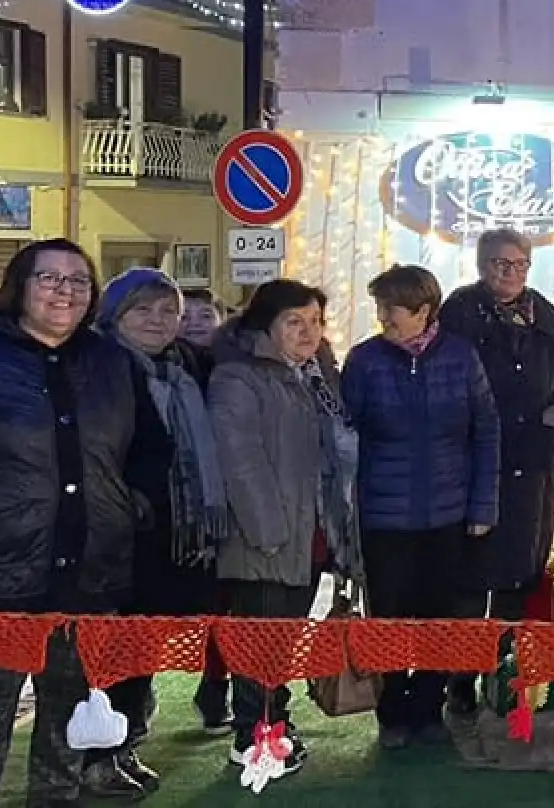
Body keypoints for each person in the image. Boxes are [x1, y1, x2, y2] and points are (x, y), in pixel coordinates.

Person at [0, 239, 173, 808]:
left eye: (79, 281)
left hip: (88, 571)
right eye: (49, 278)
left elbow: (152, 452)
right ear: (19, 287)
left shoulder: (114, 362)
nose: (65, 291)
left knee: (67, 716)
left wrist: (133, 507)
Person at [83, 270, 230, 799]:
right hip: (116, 536)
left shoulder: (184, 365)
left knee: (141, 651)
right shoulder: (99, 365)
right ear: (115, 315)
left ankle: (123, 745)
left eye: (167, 311)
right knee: (109, 654)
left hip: (173, 534)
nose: (157, 320)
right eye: (142, 310)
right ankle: (96, 757)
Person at [343, 265, 501, 749]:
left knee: (439, 618)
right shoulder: (365, 361)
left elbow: (486, 431)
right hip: (384, 518)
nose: (384, 317)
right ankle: (393, 713)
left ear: (423, 310)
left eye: (393, 308)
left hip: (448, 516)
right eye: (380, 308)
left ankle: (429, 708)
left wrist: (482, 506)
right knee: (387, 617)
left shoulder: (460, 357)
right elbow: (346, 435)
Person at [208, 280, 360, 776]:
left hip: (309, 533)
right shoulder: (239, 378)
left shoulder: (314, 376)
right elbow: (240, 461)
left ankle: (274, 724)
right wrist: (268, 533)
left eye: (315, 321)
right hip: (266, 538)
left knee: (280, 641)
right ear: (264, 325)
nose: (308, 332)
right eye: (295, 321)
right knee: (260, 643)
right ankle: (253, 735)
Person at [438, 229, 554, 715]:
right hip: (479, 464)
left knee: (520, 577)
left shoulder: (546, 314)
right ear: (481, 264)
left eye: (518, 264)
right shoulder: (458, 312)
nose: (509, 272)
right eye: (499, 263)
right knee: (469, 582)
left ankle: (505, 676)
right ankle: (459, 682)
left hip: (535, 465)